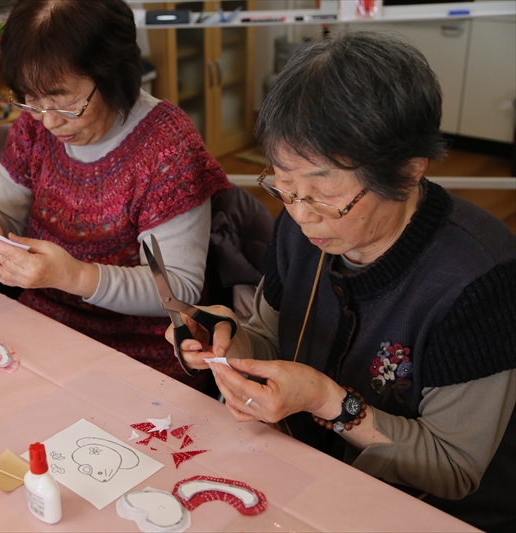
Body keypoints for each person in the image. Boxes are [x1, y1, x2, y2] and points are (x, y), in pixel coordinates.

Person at [171, 31, 516, 532]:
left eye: (323, 195)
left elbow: (453, 467)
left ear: (408, 171)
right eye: (283, 184)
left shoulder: (478, 280)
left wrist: (325, 401)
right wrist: (227, 339)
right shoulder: (299, 229)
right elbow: (271, 337)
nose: (300, 214)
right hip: (307, 471)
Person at [0, 0, 232, 394]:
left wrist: (73, 276)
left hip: (144, 354)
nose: (50, 121)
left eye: (67, 103)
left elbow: (178, 287)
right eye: (32, 100)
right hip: (43, 327)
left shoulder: (167, 146)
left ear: (113, 74)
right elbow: (2, 204)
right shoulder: (36, 125)